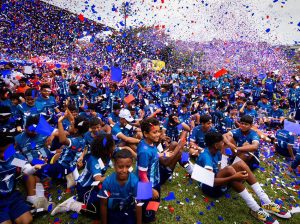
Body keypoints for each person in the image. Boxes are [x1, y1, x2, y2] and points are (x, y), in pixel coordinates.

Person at [196, 132, 290, 224]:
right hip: (209, 188)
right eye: (222, 143)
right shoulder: (206, 158)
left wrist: (230, 148)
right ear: (216, 145)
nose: (224, 144)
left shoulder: (214, 150)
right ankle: (255, 209)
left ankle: (266, 201)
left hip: (216, 179)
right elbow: (210, 181)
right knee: (230, 172)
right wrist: (233, 177)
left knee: (239, 165)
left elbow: (220, 166)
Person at [51, 134, 115, 217]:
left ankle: (80, 198)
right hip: (85, 188)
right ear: (105, 149)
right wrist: (114, 177)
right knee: (98, 212)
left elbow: (121, 152)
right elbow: (98, 178)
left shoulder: (107, 154)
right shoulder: (94, 160)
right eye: (112, 145)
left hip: (96, 186)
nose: (114, 147)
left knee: (111, 204)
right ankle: (72, 205)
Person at [0, 128, 45, 224]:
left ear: (13, 146)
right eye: (0, 152)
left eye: (7, 151)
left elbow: (26, 169)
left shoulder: (14, 158)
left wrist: (34, 168)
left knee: (27, 220)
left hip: (11, 196)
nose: (3, 155)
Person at [99, 149, 142, 224]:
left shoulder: (135, 182)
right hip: (112, 211)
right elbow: (103, 205)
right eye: (120, 167)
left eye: (128, 166)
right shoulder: (107, 182)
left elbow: (138, 204)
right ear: (115, 165)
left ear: (131, 165)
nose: (124, 170)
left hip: (128, 210)